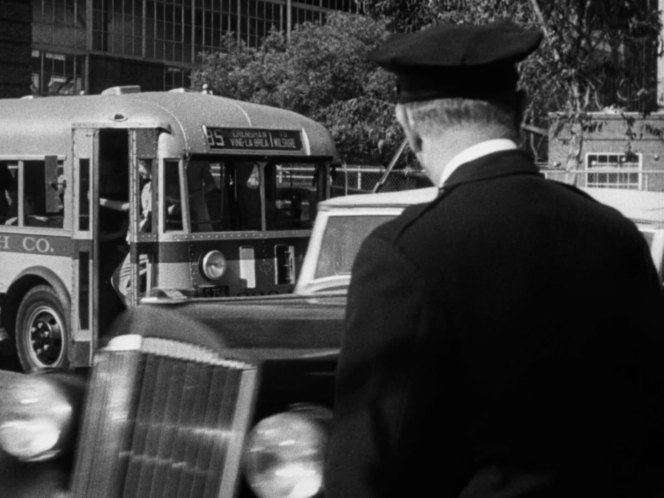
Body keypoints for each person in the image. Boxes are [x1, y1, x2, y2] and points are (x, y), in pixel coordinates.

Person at [325, 21, 664, 498]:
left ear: (408, 124)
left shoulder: (404, 253)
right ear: (521, 111)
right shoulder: (617, 235)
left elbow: (366, 477)